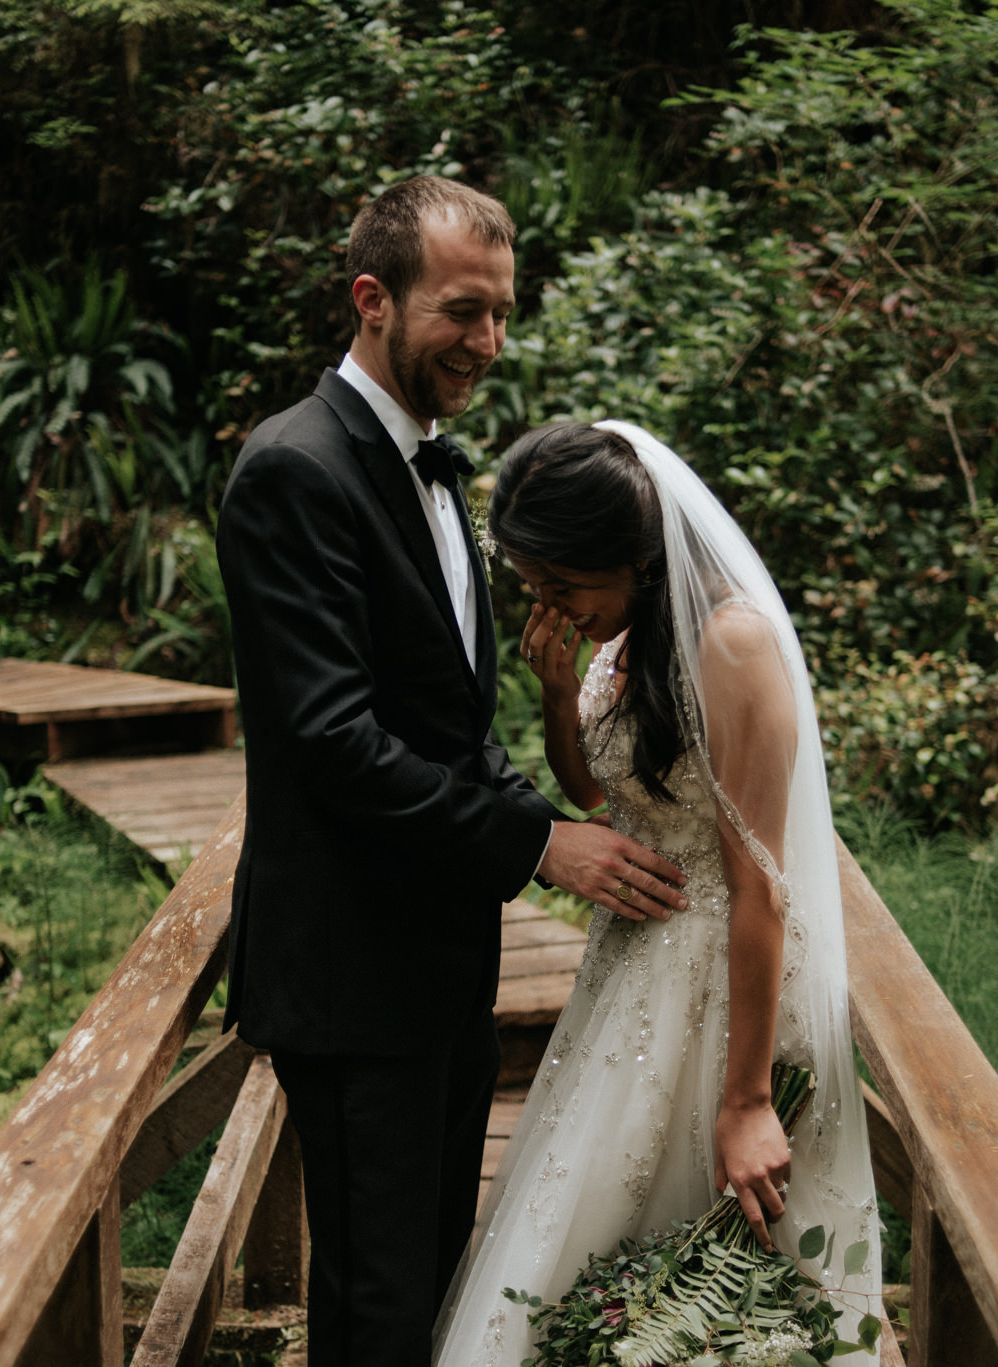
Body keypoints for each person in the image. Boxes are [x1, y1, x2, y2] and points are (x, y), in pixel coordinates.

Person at [215, 177, 692, 1367]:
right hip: (352, 970)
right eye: (461, 311)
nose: (487, 341)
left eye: (501, 313)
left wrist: (531, 811)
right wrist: (538, 844)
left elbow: (444, 719)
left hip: (439, 964)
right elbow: (333, 740)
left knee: (429, 1284)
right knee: (376, 1312)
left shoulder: (433, 468)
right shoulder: (294, 471)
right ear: (372, 298)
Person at [432, 421, 882, 1364]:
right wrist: (559, 693)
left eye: (564, 586)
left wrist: (748, 1099)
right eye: (533, 588)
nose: (551, 606)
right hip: (631, 971)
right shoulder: (631, 631)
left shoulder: (733, 642)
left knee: (712, 1273)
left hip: (724, 982)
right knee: (602, 1256)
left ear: (635, 556)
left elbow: (763, 883)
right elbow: (604, 792)